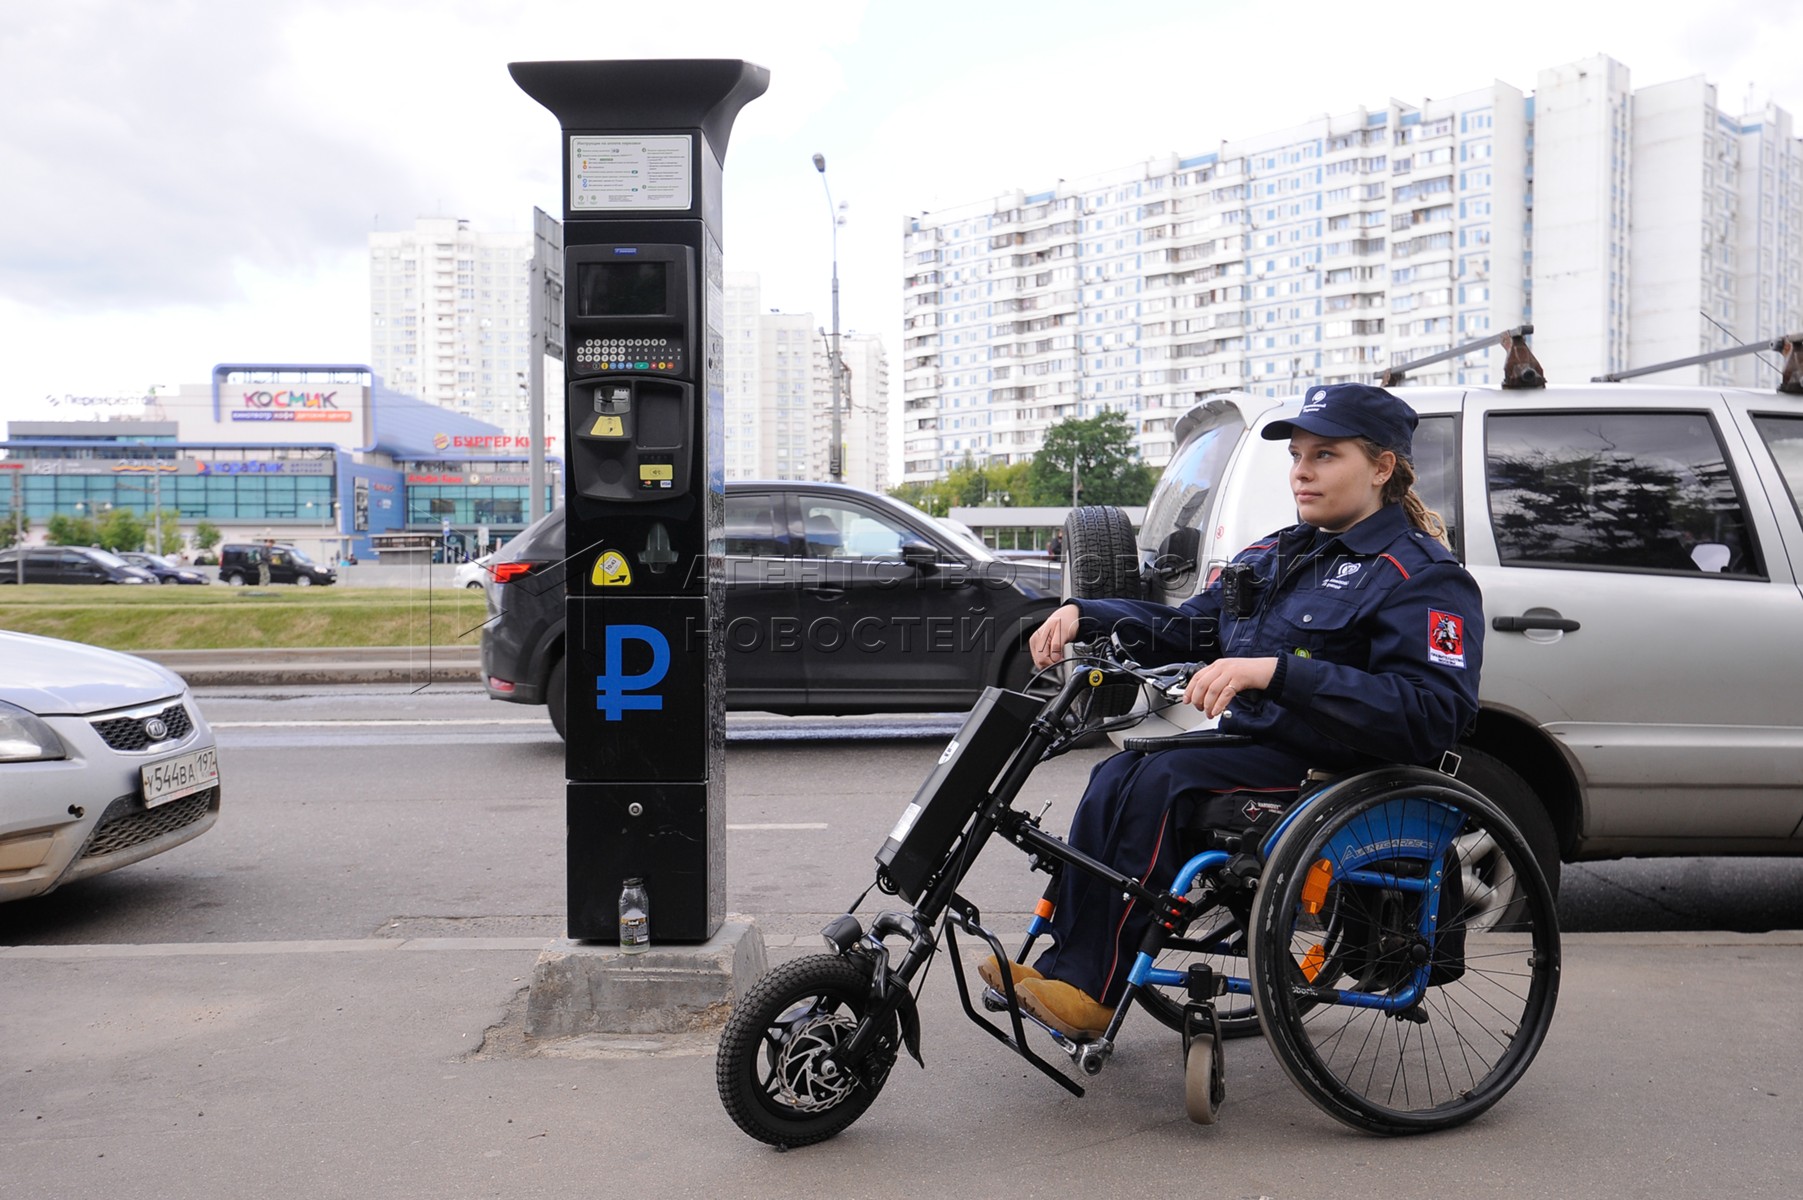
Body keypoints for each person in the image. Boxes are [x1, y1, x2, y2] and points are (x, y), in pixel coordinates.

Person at [981, 382, 1485, 1039]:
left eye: (1323, 455)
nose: (1300, 472)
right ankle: (1067, 969)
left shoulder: (1420, 574)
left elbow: (1430, 712)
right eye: (1297, 455)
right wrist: (1086, 614)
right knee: (1114, 776)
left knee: (1159, 786)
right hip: (1264, 749)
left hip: (1340, 767)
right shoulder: (1279, 555)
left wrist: (1279, 673)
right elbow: (1189, 628)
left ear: (1381, 467)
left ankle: (1090, 989)